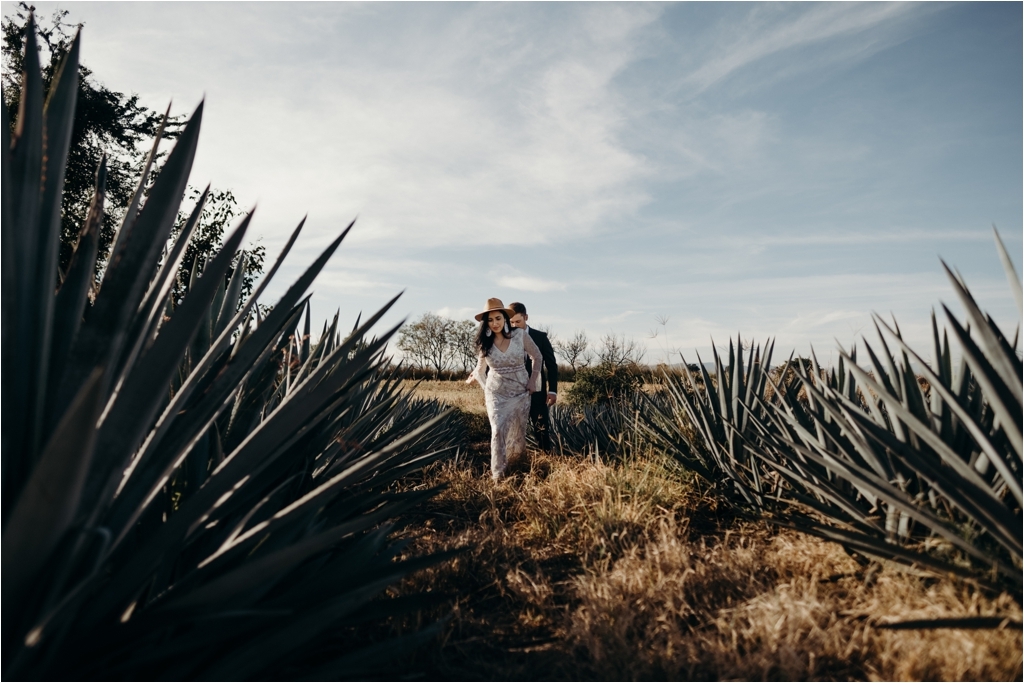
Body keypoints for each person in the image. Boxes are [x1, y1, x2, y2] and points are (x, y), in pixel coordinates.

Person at [466, 298, 543, 480]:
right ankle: (498, 475)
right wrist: (474, 376)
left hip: (520, 390)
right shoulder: (484, 342)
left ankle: (517, 465)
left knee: (517, 430)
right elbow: (481, 367)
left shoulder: (520, 335)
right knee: (498, 428)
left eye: (498, 318)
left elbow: (537, 357)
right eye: (490, 320)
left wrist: (533, 381)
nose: (495, 323)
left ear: (505, 318)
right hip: (496, 393)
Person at [508, 302, 559, 452]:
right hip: (514, 392)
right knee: (514, 431)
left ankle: (546, 460)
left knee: (541, 430)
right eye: (511, 322)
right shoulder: (506, 338)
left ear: (526, 317)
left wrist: (553, 390)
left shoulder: (540, 337)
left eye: (518, 321)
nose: (515, 325)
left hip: (537, 392)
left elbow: (551, 365)